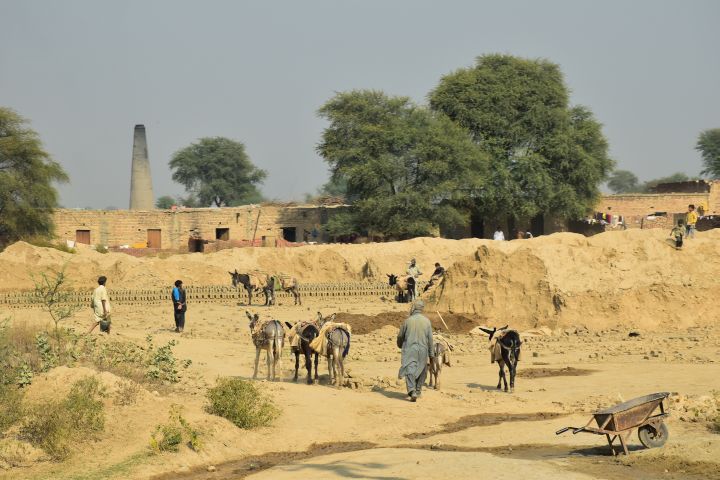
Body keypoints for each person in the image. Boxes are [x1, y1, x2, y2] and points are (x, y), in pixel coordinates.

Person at [397, 300, 434, 402]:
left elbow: (400, 336)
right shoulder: (427, 321)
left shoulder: (407, 321)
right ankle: (418, 390)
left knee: (410, 369)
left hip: (410, 349)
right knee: (422, 369)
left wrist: (400, 344)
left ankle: (412, 390)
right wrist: (431, 354)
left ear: (413, 308)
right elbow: (430, 339)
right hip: (423, 350)